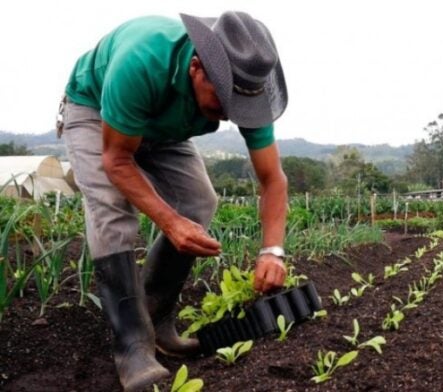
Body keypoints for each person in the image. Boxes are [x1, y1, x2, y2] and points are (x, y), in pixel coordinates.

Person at [59, 11, 289, 391]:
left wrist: (272, 250)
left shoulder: (246, 86)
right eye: (222, 103)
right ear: (197, 67)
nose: (232, 116)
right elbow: (117, 160)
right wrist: (169, 222)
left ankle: (156, 320)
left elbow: (272, 178)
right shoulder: (142, 60)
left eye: (239, 107)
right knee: (114, 215)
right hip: (96, 112)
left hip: (164, 126)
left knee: (198, 202)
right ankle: (132, 346)